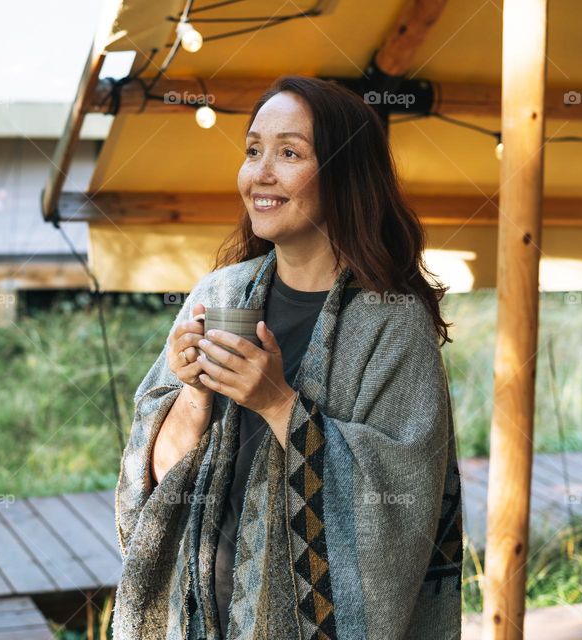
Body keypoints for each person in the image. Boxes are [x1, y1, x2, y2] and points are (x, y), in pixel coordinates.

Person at [113, 75, 463, 639]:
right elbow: (153, 481)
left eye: (289, 153)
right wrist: (195, 391)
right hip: (200, 616)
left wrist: (279, 404)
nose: (261, 173)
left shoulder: (391, 322)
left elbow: (404, 508)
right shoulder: (220, 294)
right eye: (253, 150)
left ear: (343, 175)